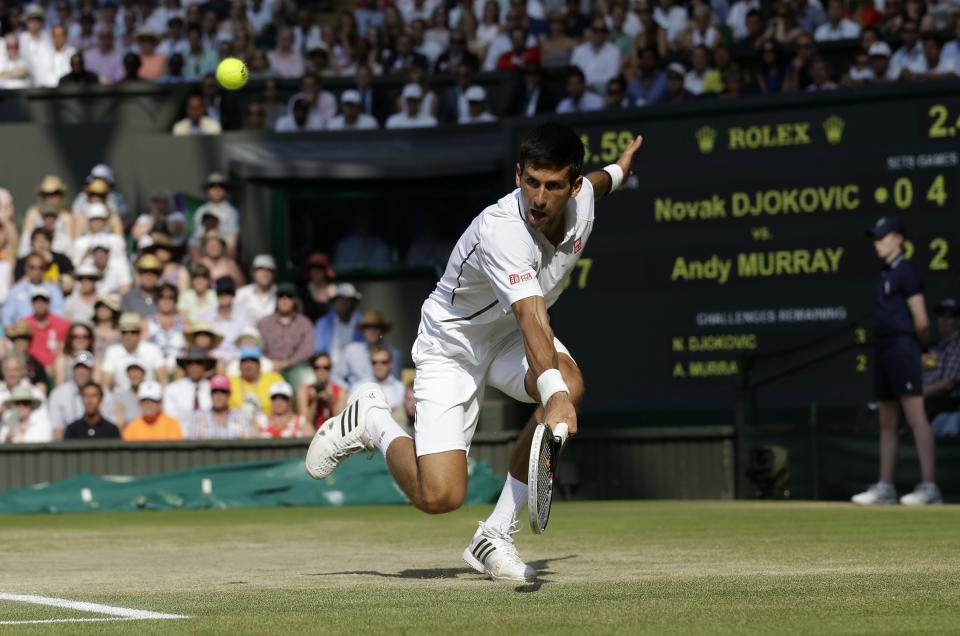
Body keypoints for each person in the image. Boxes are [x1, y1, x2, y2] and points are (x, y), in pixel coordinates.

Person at [306, 123, 644, 582]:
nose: (539, 198)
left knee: (572, 384)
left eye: (553, 186)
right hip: (453, 344)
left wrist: (620, 172)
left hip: (504, 337)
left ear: (573, 184)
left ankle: (495, 535)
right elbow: (532, 318)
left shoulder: (584, 197)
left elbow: (600, 184)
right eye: (530, 182)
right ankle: (373, 423)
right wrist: (554, 395)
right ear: (517, 174)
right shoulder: (502, 230)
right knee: (439, 497)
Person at [853, 216, 942, 506]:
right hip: (885, 350)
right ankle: (886, 486)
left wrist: (920, 347)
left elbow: (922, 320)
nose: (877, 243)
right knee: (887, 421)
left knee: (916, 417)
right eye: (876, 238)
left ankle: (930, 486)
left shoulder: (906, 272)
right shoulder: (884, 274)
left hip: (904, 347)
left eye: (883, 237)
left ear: (899, 239)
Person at [48, 350, 115, 440]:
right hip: (70, 440)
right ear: (73, 370)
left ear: (92, 371)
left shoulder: (105, 394)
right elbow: (57, 429)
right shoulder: (58, 394)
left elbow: (109, 425)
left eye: (86, 368)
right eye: (78, 368)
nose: (81, 372)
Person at [258, 282, 316, 373]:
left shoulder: (304, 324)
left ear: (295, 300)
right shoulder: (264, 323)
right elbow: (258, 346)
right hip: (268, 370)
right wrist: (270, 363)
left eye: (289, 296)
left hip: (296, 370)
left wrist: (288, 363)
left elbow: (307, 349)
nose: (284, 300)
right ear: (276, 300)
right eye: (281, 296)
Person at [99, 312, 167, 389]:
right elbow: (105, 383)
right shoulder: (113, 351)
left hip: (148, 396)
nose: (129, 336)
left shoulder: (152, 349)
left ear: (140, 333)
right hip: (121, 396)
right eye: (124, 332)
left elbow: (164, 380)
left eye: (133, 332)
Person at [350, 344, 407, 429]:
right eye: (374, 362)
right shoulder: (358, 387)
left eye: (383, 362)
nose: (379, 366)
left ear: (390, 364)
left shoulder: (401, 388)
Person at [184, 374, 258, 439]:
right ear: (210, 395)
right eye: (215, 392)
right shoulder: (198, 417)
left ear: (229, 395)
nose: (218, 396)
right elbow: (192, 445)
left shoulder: (242, 417)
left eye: (223, 392)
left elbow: (249, 443)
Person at [338, 310, 401, 386]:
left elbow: (395, 383)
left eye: (376, 327)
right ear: (363, 331)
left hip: (383, 395)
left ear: (382, 330)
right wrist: (348, 390)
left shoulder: (393, 353)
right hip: (355, 394)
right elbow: (338, 376)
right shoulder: (351, 350)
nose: (372, 331)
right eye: (368, 327)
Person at [4, 252, 65, 327]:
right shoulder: (15, 290)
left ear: (45, 269)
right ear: (26, 268)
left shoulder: (54, 291)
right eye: (32, 267)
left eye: (41, 267)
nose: (36, 271)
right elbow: (6, 317)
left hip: (46, 331)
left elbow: (59, 315)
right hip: (21, 333)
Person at [163, 346, 215, 434]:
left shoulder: (213, 388)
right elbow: (170, 419)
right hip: (181, 440)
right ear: (185, 366)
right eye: (190, 363)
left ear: (205, 366)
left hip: (209, 440)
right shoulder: (172, 390)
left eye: (199, 363)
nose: (194, 367)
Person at [923, 299, 960, 419]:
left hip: (942, 405)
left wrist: (916, 394)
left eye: (950, 316)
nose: (944, 320)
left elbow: (947, 384)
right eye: (941, 316)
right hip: (923, 400)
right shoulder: (937, 348)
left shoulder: (957, 346)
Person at [314, 282, 364, 368]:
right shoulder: (323, 323)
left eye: (347, 299)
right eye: (340, 299)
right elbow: (319, 351)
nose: (343, 303)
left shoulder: (364, 323)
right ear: (334, 302)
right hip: (330, 370)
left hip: (357, 371)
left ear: (354, 303)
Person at [228, 345, 285, 417]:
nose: (248, 365)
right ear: (239, 365)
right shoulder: (230, 382)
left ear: (259, 365)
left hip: (270, 422)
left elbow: (284, 406)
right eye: (245, 361)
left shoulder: (274, 379)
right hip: (237, 423)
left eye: (253, 361)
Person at [298, 352, 346, 431]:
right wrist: (314, 402)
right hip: (312, 434)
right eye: (317, 367)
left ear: (330, 369)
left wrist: (332, 400)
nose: (321, 371)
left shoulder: (340, 391)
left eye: (326, 367)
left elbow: (340, 421)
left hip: (333, 432)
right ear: (313, 369)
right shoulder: (303, 390)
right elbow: (305, 422)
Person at [25, 286, 70, 371]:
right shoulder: (24, 324)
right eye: (36, 301)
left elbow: (65, 348)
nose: (40, 304)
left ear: (49, 303)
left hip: (55, 369)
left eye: (43, 301)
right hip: (31, 368)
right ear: (32, 303)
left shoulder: (62, 324)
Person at [235, 255, 277, 325]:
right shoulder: (241, 294)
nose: (264, 274)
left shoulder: (280, 294)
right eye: (261, 270)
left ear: (274, 274)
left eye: (268, 270)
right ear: (253, 273)